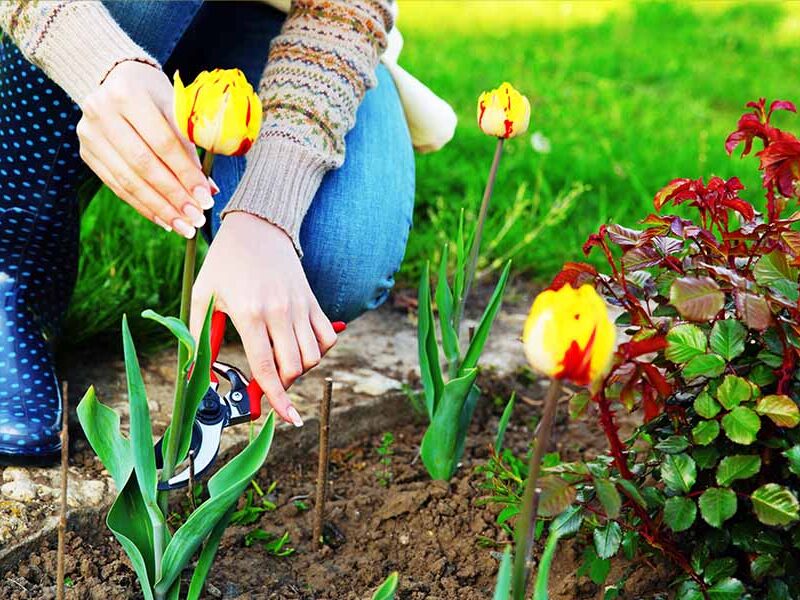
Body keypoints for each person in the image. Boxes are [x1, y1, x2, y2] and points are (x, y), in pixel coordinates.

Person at [0, 1, 419, 464]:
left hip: (275, 26)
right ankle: (12, 270)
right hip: (106, 12)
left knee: (340, 261)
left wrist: (267, 209)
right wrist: (96, 62)